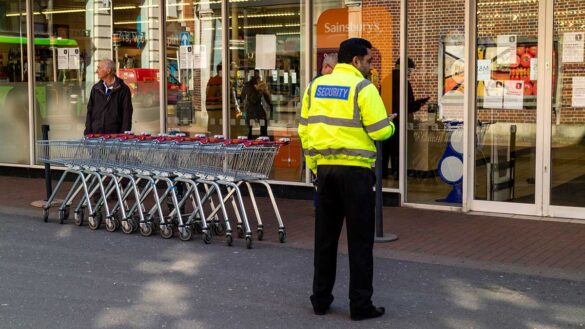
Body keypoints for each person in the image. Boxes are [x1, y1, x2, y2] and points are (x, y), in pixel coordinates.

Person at [298, 38, 395, 321]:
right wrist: (390, 123)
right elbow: (378, 132)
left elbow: (304, 130)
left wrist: (315, 165)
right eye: (368, 61)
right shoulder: (363, 88)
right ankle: (360, 305)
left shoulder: (315, 86)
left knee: (325, 239)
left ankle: (320, 300)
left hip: (325, 171)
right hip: (355, 174)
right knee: (360, 241)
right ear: (355, 61)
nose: (371, 66)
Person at [382, 58, 429, 179]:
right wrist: (419, 103)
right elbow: (407, 106)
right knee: (398, 149)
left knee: (385, 149)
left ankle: (383, 175)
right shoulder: (404, 82)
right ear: (404, 68)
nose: (410, 74)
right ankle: (398, 175)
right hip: (399, 121)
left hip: (385, 119)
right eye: (410, 71)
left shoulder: (386, 80)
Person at [84, 59, 133, 135]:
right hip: (96, 136)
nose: (97, 71)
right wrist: (88, 132)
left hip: (114, 138)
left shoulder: (123, 90)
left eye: (99, 68)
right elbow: (89, 112)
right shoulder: (96, 88)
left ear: (108, 70)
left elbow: (127, 115)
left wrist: (124, 136)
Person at [240, 72, 271, 139]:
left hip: (256, 108)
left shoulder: (256, 85)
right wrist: (260, 91)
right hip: (250, 108)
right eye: (258, 77)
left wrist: (265, 91)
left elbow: (268, 100)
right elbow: (254, 99)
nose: (259, 79)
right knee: (250, 128)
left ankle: (263, 137)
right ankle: (250, 140)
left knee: (263, 121)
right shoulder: (248, 86)